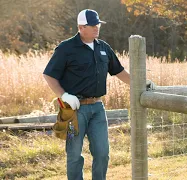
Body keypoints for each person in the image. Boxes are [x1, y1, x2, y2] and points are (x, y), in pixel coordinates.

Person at [43, 9, 155, 180]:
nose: (97, 28)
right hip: (73, 111)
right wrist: (64, 95)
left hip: (97, 109)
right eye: (93, 25)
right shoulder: (66, 48)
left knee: (102, 153)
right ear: (81, 27)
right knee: (74, 154)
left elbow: (119, 72)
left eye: (98, 25)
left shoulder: (103, 48)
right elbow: (49, 75)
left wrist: (141, 82)